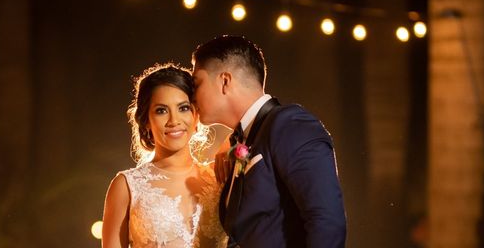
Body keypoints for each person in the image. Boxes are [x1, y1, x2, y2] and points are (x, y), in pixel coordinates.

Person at [192, 35, 347, 248]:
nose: (192, 96)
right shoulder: (244, 139)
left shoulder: (290, 123)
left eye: (197, 83)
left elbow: (327, 221)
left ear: (225, 81)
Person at [101, 63, 228, 248]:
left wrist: (230, 144)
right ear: (146, 122)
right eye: (161, 110)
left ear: (196, 116)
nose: (174, 121)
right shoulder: (126, 186)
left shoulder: (221, 176)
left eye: (183, 108)